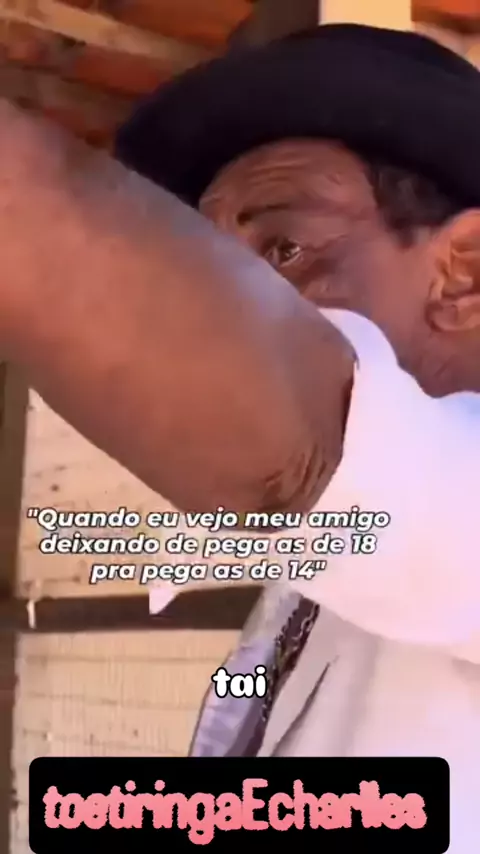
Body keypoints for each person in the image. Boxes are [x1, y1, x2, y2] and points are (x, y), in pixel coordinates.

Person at [0, 23, 477, 850]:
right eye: (215, 262)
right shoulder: (333, 577)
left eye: (284, 248)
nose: (222, 305)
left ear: (461, 274)